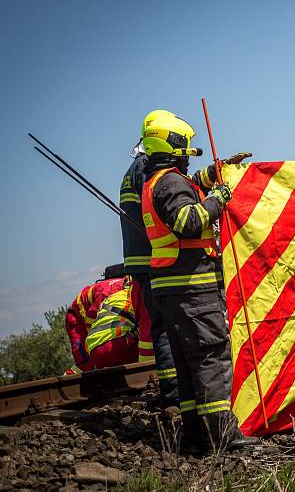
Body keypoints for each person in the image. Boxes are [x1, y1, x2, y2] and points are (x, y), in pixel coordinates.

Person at [141, 112, 258, 453]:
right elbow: (188, 220)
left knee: (189, 365)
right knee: (210, 357)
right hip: (192, 287)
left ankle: (194, 438)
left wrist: (218, 170)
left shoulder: (157, 181)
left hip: (170, 287)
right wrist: (218, 200)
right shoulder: (171, 183)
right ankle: (224, 439)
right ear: (175, 144)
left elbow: (191, 185)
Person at [120, 109, 179, 407]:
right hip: (155, 258)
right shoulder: (146, 168)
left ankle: (172, 392)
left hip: (140, 260)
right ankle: (175, 394)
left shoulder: (131, 170)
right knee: (169, 326)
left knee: (160, 326)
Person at [64, 275, 153, 373]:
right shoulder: (106, 293)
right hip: (76, 319)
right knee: (84, 365)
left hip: (98, 340)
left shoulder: (120, 289)